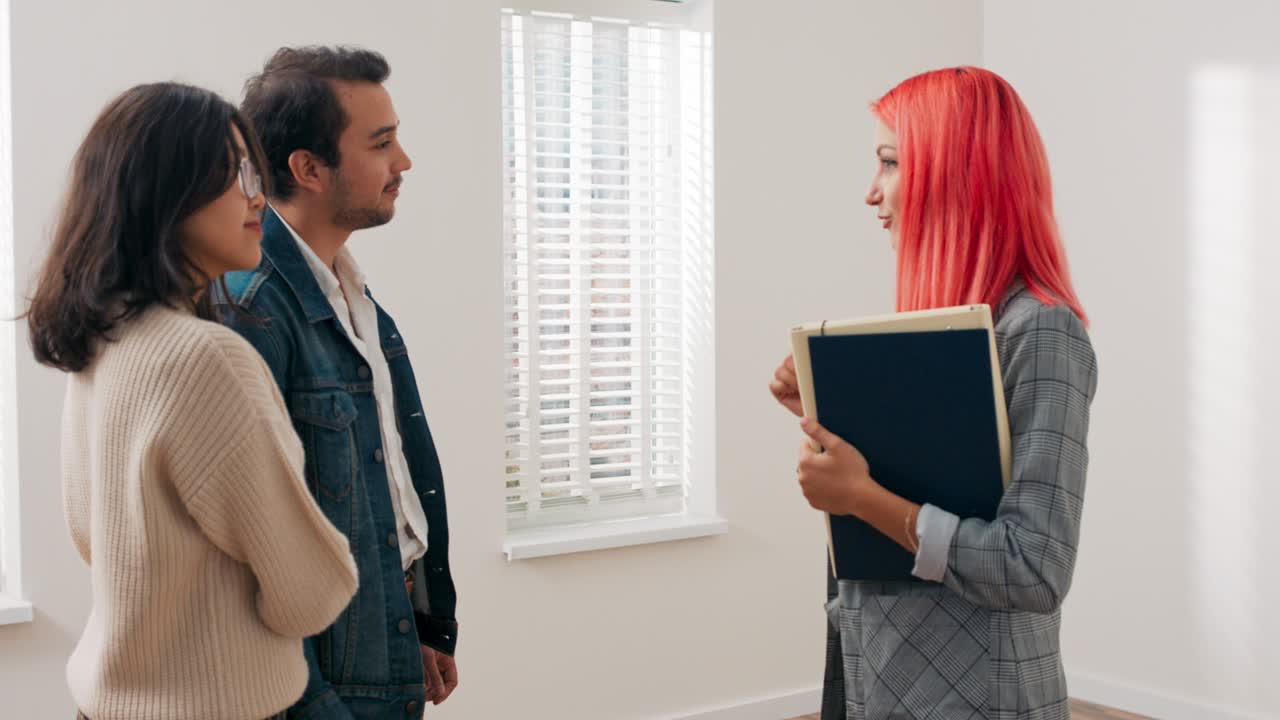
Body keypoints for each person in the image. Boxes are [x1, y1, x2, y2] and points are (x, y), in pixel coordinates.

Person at [770, 66, 1099, 720]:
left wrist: (859, 497)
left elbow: (1034, 568)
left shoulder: (1041, 331)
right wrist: (828, 415)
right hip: (885, 674)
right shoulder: (946, 335)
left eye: (890, 162)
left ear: (954, 175)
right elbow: (936, 481)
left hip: (980, 697)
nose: (872, 191)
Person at [26, 82, 359, 720]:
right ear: (165, 191)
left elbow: (95, 540)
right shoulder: (205, 358)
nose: (258, 195)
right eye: (236, 173)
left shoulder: (101, 340)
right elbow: (312, 592)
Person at [218, 46, 458, 719]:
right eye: (381, 144)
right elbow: (250, 552)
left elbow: (389, 479)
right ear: (309, 168)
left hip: (383, 636)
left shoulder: (353, 292)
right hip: (319, 683)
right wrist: (314, 701)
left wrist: (422, 621)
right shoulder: (253, 309)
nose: (403, 161)